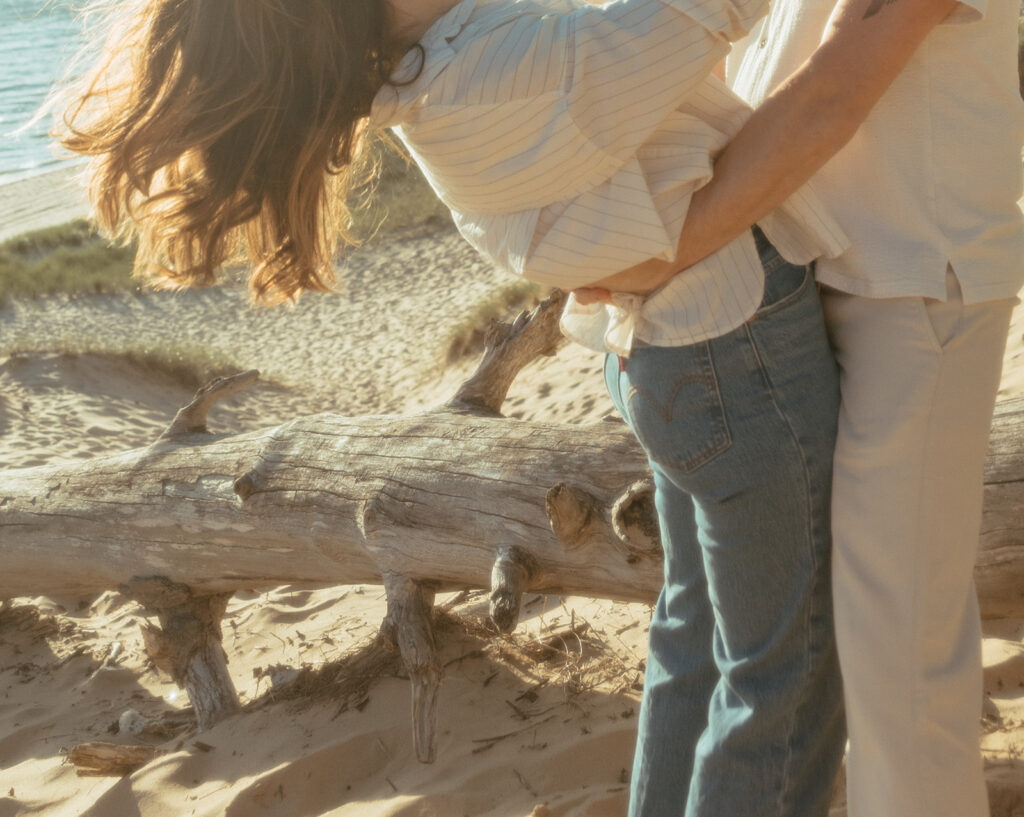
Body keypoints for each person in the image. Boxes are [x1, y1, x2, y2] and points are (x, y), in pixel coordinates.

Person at [58, 0, 851, 814]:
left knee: (701, 635)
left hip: (683, 355)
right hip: (731, 357)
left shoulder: (441, 60)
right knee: (785, 672)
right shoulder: (493, 70)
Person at [577, 0, 1024, 813]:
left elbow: (834, 90)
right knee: (707, 631)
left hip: (910, 277)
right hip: (759, 277)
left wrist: (655, 250)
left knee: (899, 671)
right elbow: (701, 56)